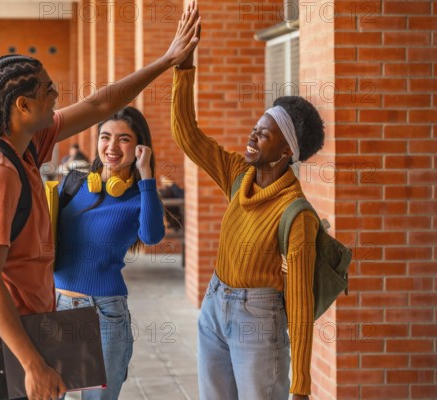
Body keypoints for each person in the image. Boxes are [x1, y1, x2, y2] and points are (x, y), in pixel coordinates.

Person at [0, 6, 200, 399]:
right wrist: (34, 364)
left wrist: (168, 61)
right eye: (47, 91)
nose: (57, 96)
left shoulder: (28, 146)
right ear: (23, 106)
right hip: (7, 338)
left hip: (45, 322)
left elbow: (97, 105)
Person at [170, 4, 324, 399]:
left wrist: (301, 386)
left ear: (286, 151)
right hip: (214, 303)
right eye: (255, 129)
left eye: (264, 134)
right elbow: (188, 134)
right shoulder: (239, 176)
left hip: (260, 319)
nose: (252, 137)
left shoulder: (296, 215)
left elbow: (301, 302)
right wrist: (184, 67)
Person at [54, 106, 165, 399]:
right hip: (56, 305)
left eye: (124, 139)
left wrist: (147, 176)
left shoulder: (140, 197)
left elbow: (152, 236)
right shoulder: (73, 183)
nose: (112, 147)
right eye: (105, 137)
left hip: (104, 313)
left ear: (140, 147)